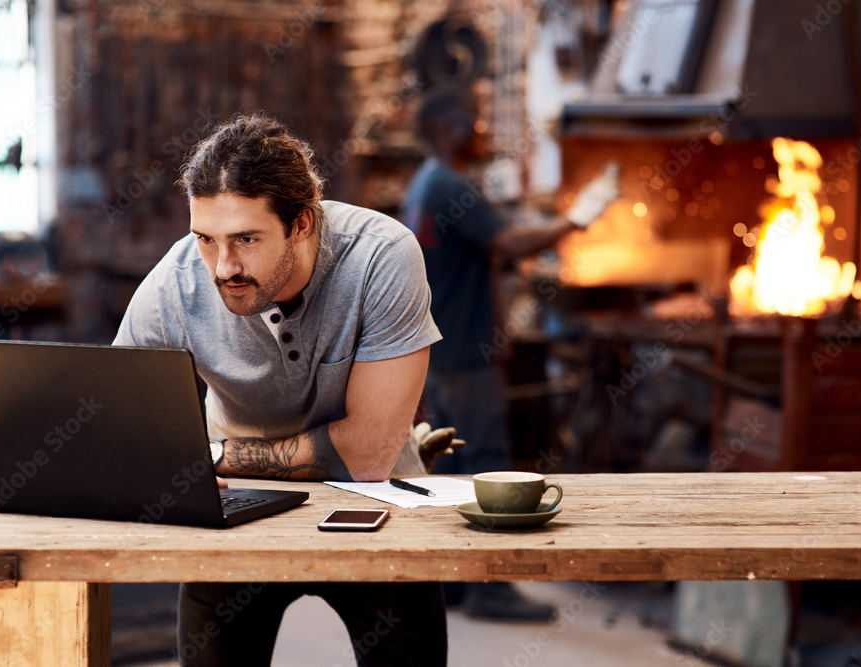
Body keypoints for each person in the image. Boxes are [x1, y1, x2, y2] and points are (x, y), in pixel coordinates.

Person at [114, 112, 447, 666]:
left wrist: (213, 459)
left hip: (376, 505)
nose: (223, 267)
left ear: (303, 224)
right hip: (231, 515)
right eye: (205, 238)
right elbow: (118, 428)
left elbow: (366, 455)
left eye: (246, 238)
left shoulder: (382, 257)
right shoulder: (176, 281)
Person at [400, 87, 618, 620]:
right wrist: (577, 219)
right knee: (491, 467)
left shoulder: (421, 185)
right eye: (473, 124)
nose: (480, 133)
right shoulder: (450, 183)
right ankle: (494, 591)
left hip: (438, 352)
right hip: (466, 357)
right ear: (450, 128)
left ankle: (454, 584)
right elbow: (508, 243)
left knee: (451, 470)